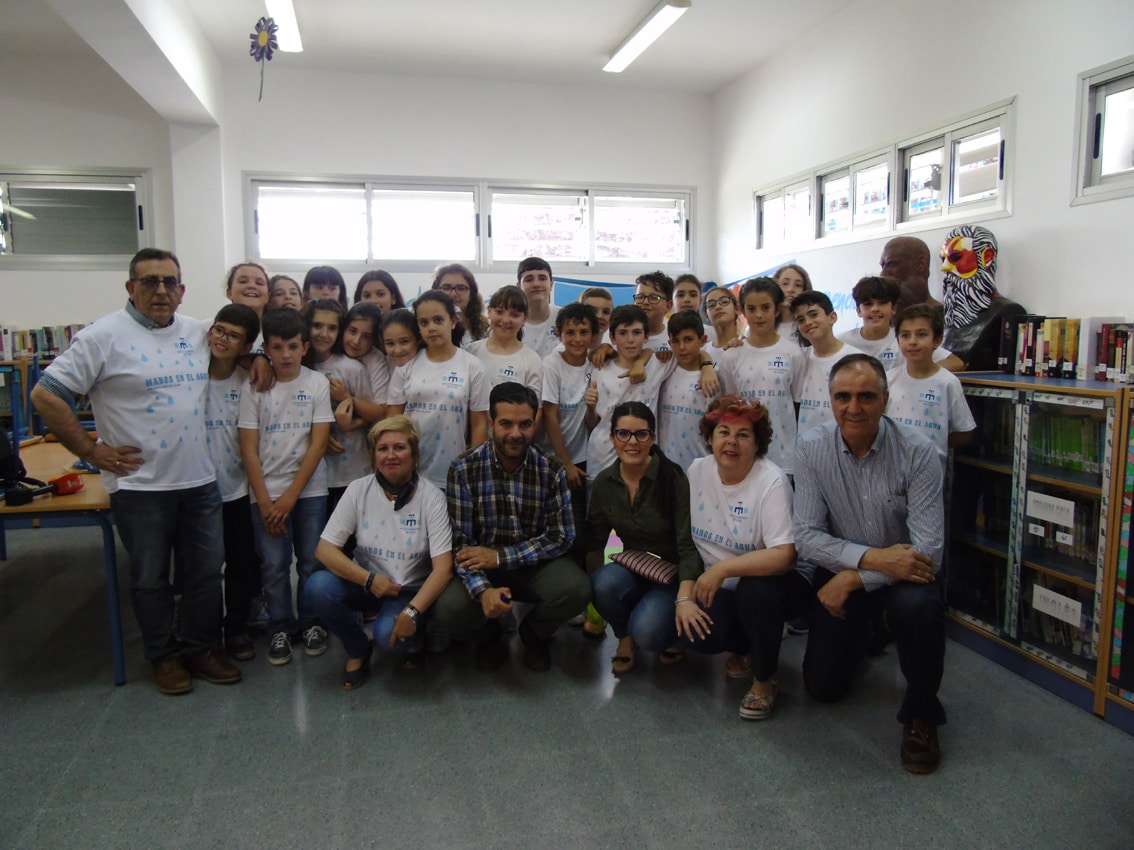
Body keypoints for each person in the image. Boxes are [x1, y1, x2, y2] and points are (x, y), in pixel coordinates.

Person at [30, 248, 242, 694]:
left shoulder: (198, 331)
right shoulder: (101, 337)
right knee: (150, 579)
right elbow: (46, 394)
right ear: (131, 288)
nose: (161, 290)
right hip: (140, 486)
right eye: (150, 282)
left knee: (206, 572)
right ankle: (163, 656)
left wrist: (257, 357)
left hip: (200, 481)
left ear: (182, 291)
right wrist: (91, 450)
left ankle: (200, 648)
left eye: (169, 282)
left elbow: (245, 343)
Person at [794, 354, 946, 774]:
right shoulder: (811, 447)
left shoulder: (918, 452)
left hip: (906, 572)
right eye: (843, 396)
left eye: (866, 396)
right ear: (830, 399)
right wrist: (872, 561)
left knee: (917, 608)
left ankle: (921, 715)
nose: (854, 407)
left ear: (886, 399)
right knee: (823, 689)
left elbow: (928, 549)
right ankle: (870, 631)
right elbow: (806, 536)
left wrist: (856, 577)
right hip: (855, 564)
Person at [433, 382, 590, 672]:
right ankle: (489, 636)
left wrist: (500, 556)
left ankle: (533, 634)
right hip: (482, 565)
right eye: (506, 423)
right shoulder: (463, 469)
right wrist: (483, 592)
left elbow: (561, 536)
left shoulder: (551, 469)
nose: (516, 434)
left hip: (533, 564)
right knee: (448, 609)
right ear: (491, 423)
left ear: (534, 424)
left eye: (525, 424)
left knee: (576, 589)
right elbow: (460, 543)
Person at [682, 396, 809, 720]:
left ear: (758, 444)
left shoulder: (771, 481)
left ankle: (765, 679)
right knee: (692, 630)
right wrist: (687, 593)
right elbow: (682, 539)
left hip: (774, 583)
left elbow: (784, 555)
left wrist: (723, 568)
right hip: (717, 585)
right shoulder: (697, 471)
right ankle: (746, 645)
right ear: (710, 438)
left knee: (757, 593)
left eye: (743, 435)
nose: (732, 442)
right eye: (723, 432)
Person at [306, 416, 454, 688]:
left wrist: (411, 613)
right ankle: (358, 648)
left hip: (408, 592)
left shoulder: (432, 498)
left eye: (399, 447)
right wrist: (368, 580)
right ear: (373, 454)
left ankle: (417, 631)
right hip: (367, 583)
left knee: (388, 637)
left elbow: (444, 569)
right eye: (382, 449)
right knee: (317, 586)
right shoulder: (358, 490)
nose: (390, 456)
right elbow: (324, 549)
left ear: (415, 453)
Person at [238, 307, 334, 667]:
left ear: (305, 347)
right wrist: (265, 502)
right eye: (277, 348)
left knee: (310, 561)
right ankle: (280, 625)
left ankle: (312, 623)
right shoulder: (256, 385)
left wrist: (291, 496)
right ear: (266, 349)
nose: (286, 355)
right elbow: (248, 447)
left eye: (293, 346)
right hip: (265, 494)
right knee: (274, 566)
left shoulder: (316, 383)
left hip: (308, 493)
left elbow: (318, 443)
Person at [588, 402, 702, 674]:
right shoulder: (604, 482)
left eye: (641, 434)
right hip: (636, 567)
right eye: (623, 434)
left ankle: (671, 632)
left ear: (652, 438)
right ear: (612, 437)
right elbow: (597, 540)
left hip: (672, 575)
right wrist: (595, 598)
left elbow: (688, 545)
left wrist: (686, 596)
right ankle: (624, 638)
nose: (632, 442)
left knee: (648, 632)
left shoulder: (673, 478)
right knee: (602, 583)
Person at [204, 303, 261, 662]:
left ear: (246, 346)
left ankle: (237, 627)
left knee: (242, 563)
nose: (222, 339)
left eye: (233, 336)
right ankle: (204, 633)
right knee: (203, 568)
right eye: (218, 330)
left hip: (237, 489)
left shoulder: (248, 383)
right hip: (195, 489)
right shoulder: (191, 374)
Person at [386, 291, 489, 491]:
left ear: (453, 321)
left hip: (453, 473)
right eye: (424, 323)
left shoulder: (472, 366)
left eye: (438, 320)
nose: (431, 328)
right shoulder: (406, 367)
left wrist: (472, 469)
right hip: (409, 473)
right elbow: (392, 422)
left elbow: (479, 425)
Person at [717, 278, 805, 476]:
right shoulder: (731, 356)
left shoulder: (793, 354)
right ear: (742, 310)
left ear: (776, 310)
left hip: (783, 456)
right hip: (741, 454)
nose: (759, 315)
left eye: (765, 307)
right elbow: (729, 405)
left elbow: (798, 405)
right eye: (752, 308)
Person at [886, 304, 976, 464]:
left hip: (930, 470)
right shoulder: (888, 379)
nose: (912, 341)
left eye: (921, 335)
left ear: (937, 340)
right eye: (905, 335)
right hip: (890, 468)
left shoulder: (948, 382)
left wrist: (933, 444)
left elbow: (964, 432)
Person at [939, 224, 1026, 371]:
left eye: (956, 258)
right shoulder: (944, 314)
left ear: (987, 257)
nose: (945, 268)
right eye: (943, 259)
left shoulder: (1007, 311)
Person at [837, 275, 958, 371]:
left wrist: (916, 372)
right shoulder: (842, 341)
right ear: (858, 311)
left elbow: (955, 362)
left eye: (882, 303)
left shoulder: (906, 338)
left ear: (893, 308)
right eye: (868, 304)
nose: (875, 309)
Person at [793, 291, 865, 436]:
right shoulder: (798, 358)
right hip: (806, 446)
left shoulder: (858, 359)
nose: (807, 322)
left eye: (813, 315)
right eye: (801, 320)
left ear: (832, 317)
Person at [658, 310, 718, 471]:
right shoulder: (664, 370)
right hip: (666, 468)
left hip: (701, 465)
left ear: (702, 340)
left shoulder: (713, 377)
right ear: (669, 343)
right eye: (676, 341)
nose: (682, 347)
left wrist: (707, 366)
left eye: (688, 339)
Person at [880, 236, 940, 314]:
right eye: (882, 266)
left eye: (892, 264)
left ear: (921, 264)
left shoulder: (942, 317)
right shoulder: (883, 318)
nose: (882, 274)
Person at [432, 262, 488, 345]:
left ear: (472, 293)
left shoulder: (486, 330)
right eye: (446, 288)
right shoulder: (429, 329)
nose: (453, 294)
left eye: (461, 288)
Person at [518, 256, 561, 358]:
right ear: (518, 286)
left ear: (551, 284)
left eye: (542, 278)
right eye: (529, 279)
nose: (536, 284)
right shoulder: (511, 323)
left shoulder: (565, 318)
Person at [773, 263, 812, 343]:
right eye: (785, 284)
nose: (790, 290)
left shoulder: (811, 325)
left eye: (798, 285)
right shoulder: (764, 325)